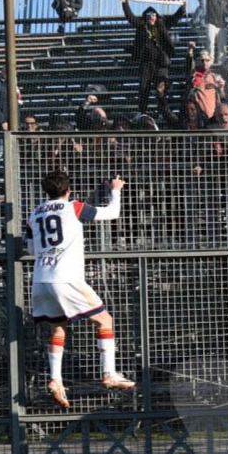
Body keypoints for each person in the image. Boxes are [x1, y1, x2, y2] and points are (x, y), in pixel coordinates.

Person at [26, 169, 134, 409]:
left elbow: (31, 249)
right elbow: (113, 213)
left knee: (57, 329)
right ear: (68, 190)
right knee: (105, 320)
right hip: (66, 279)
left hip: (41, 280)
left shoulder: (34, 213)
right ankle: (109, 373)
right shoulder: (73, 207)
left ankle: (55, 379)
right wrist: (116, 189)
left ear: (46, 191)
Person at [121, 0, 186, 115]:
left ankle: (164, 112)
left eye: (153, 15)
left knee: (161, 89)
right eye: (149, 15)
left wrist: (183, 7)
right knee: (143, 89)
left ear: (157, 16)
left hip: (161, 64)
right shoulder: (141, 26)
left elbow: (175, 17)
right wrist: (124, 2)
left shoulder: (163, 24)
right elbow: (130, 17)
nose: (151, 17)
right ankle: (142, 113)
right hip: (146, 64)